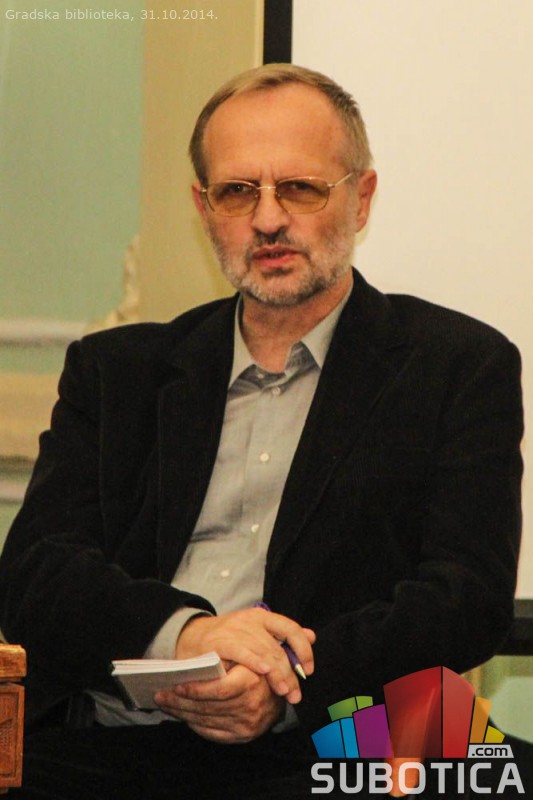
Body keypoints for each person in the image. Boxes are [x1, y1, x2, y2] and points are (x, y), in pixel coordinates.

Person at [0, 64, 524, 798]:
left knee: (499, 774)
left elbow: (464, 597)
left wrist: (280, 684)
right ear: (204, 206)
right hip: (111, 740)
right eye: (238, 191)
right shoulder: (117, 371)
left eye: (300, 188)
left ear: (361, 198)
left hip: (334, 733)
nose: (268, 219)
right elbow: (36, 572)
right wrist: (188, 634)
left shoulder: (455, 365)